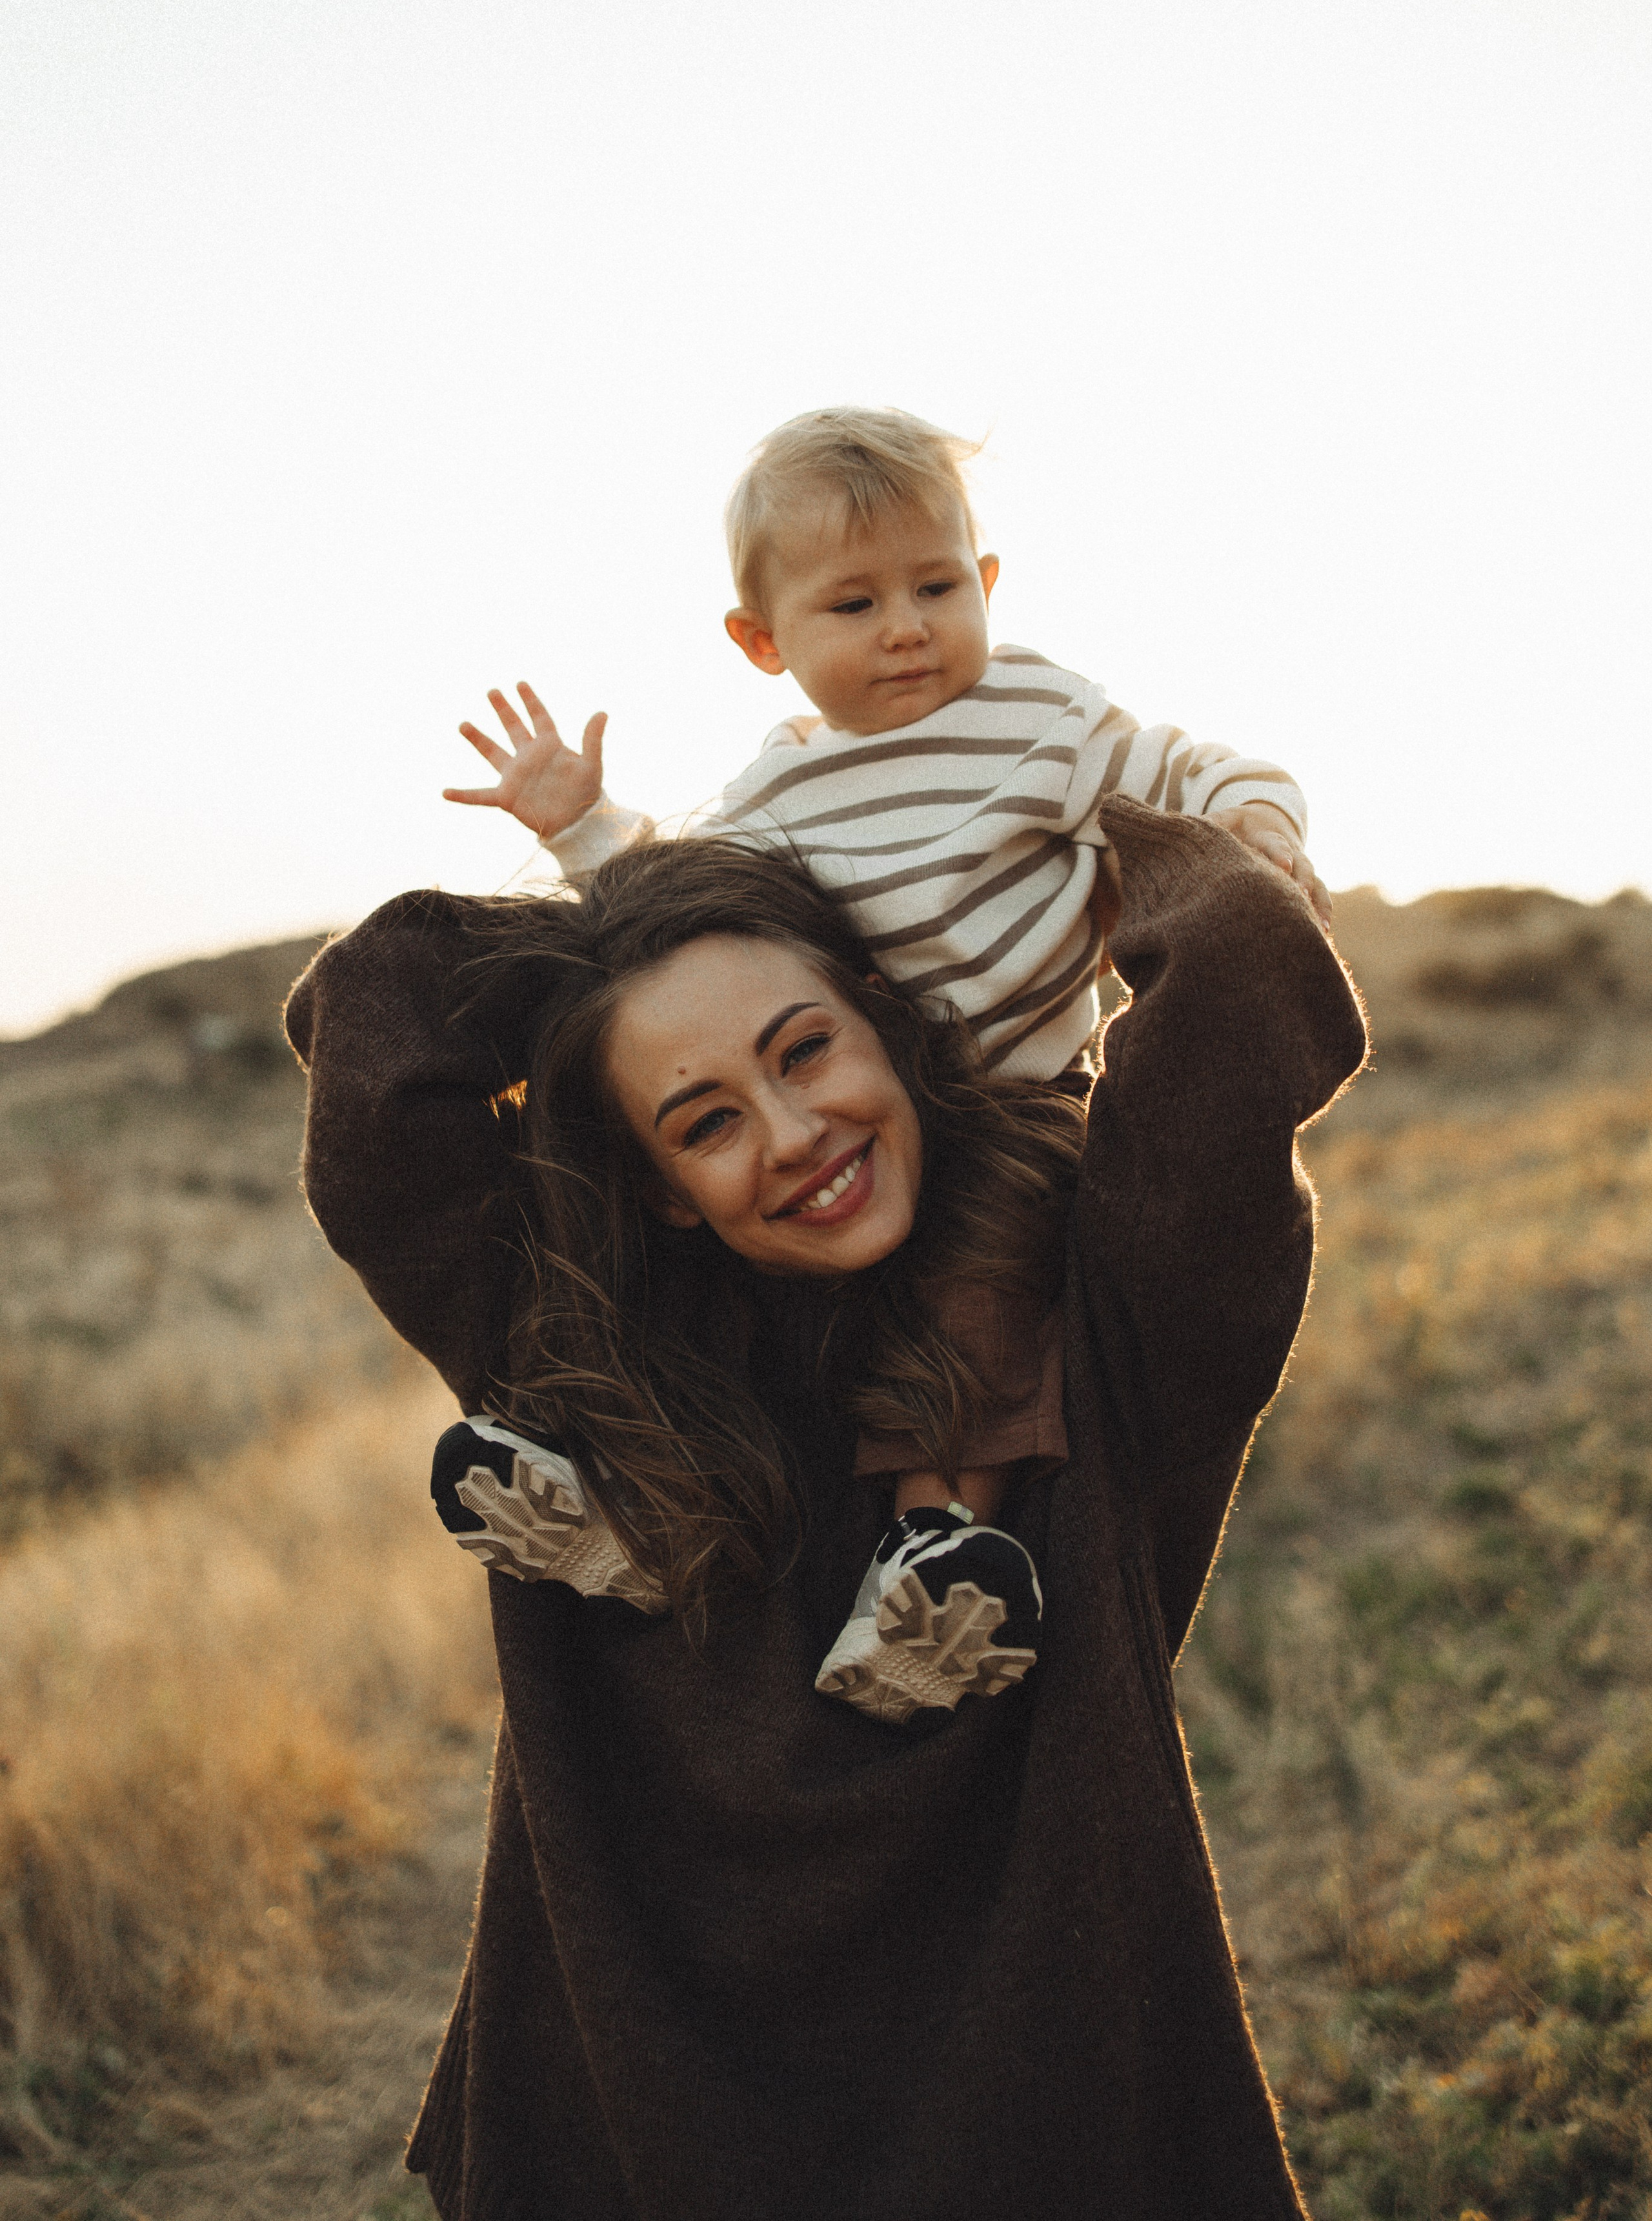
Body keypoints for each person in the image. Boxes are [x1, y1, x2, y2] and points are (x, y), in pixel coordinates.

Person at [284, 802, 1365, 2219]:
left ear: (886, 1018)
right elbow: (374, 1035)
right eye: (702, 1120)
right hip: (637, 2112)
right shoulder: (578, 1358)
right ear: (656, 1187)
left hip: (1043, 2110)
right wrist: (603, 936)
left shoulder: (1103, 1313)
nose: (793, 1134)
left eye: (806, 1049)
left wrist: (1048, 810)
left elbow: (1239, 972)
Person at [437, 406, 1333, 1713]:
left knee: (973, 1302)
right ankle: (615, 1492)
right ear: (763, 643)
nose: (906, 626)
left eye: (934, 585)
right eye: (852, 604)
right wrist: (582, 833)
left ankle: (937, 1556)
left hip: (1016, 1105)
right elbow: (685, 908)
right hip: (840, 1103)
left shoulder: (1039, 715)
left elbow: (1198, 766)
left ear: (983, 583)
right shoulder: (778, 791)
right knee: (679, 1271)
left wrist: (1251, 817)